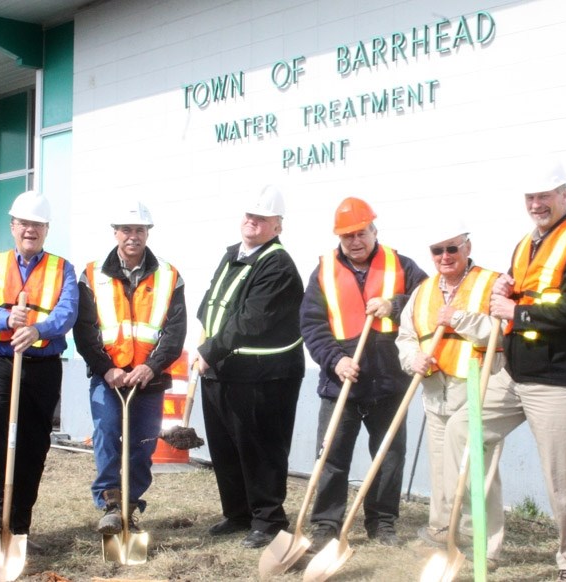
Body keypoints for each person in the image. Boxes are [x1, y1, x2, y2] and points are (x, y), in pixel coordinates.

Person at [445, 159, 566, 582]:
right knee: (463, 429)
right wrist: (505, 285)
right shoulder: (526, 243)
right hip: (515, 373)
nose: (537, 204)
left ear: (564, 196)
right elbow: (526, 287)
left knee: (563, 478)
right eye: (530, 197)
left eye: (545, 196)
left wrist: (516, 311)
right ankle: (481, 542)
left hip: (560, 379)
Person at [299, 197, 427, 552]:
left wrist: (395, 305)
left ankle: (382, 522)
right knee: (331, 456)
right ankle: (326, 523)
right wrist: (335, 360)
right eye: (347, 236)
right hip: (341, 380)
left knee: (389, 456)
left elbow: (430, 304)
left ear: (374, 230)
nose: (355, 241)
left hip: (389, 382)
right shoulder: (323, 271)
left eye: (361, 233)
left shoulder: (402, 265)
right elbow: (312, 325)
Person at [196, 185, 304, 549]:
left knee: (261, 447)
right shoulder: (233, 256)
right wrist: (204, 345)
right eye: (249, 215)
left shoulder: (277, 264)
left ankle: (268, 519)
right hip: (223, 369)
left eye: (261, 218)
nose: (252, 222)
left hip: (264, 376)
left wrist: (210, 349)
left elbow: (251, 319)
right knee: (226, 447)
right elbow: (213, 301)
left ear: (278, 226)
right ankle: (238, 513)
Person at [395, 222, 505, 569]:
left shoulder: (491, 283)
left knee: (477, 466)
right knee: (441, 464)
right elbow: (406, 335)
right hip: (434, 389)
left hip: (475, 385)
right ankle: (443, 530)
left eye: (452, 248)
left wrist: (458, 318)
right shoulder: (424, 289)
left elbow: (499, 332)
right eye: (437, 250)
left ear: (467, 247)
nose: (445, 256)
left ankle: (484, 544)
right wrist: (412, 358)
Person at [73, 201, 186, 535]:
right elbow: (84, 330)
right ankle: (110, 504)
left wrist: (151, 367)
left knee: (143, 443)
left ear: (147, 233)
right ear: (115, 233)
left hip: (149, 380)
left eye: (139, 230)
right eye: (126, 230)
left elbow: (175, 331)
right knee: (107, 433)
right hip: (109, 378)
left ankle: (130, 506)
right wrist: (107, 369)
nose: (132, 236)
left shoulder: (169, 275)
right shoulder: (92, 274)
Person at [0, 190, 79, 538]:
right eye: (23, 223)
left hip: (43, 365)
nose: (29, 230)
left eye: (36, 224)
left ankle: (18, 523)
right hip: (1, 361)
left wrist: (36, 329)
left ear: (46, 229)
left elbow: (67, 312)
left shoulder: (63, 268)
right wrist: (5, 319)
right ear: (12, 226)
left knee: (33, 441)